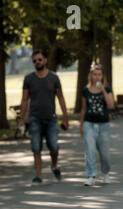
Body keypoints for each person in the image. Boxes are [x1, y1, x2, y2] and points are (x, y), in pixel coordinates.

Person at [19, 49, 69, 186]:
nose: (37, 62)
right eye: (34, 60)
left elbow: (61, 98)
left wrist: (65, 118)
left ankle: (54, 165)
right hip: (34, 118)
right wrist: (22, 119)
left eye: (40, 59)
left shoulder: (54, 78)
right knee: (36, 147)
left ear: (45, 60)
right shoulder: (28, 79)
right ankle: (38, 176)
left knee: (54, 146)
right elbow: (24, 100)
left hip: (51, 119)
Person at [79, 64, 115, 186]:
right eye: (95, 74)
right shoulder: (85, 90)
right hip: (89, 123)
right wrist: (81, 125)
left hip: (103, 124)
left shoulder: (108, 89)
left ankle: (106, 173)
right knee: (90, 149)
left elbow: (110, 105)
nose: (97, 77)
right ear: (91, 76)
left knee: (104, 153)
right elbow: (83, 109)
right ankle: (91, 175)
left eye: (99, 74)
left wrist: (103, 89)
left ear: (102, 76)